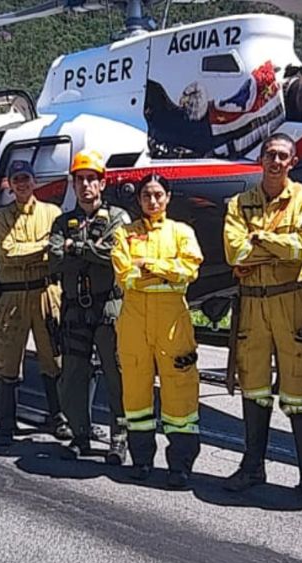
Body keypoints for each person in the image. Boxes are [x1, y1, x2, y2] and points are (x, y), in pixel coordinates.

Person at [223, 132, 302, 506]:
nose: (275, 161)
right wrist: (273, 249)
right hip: (253, 305)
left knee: (300, 392)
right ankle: (252, 466)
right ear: (261, 159)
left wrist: (260, 240)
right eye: (270, 154)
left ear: (293, 162)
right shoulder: (241, 203)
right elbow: (235, 253)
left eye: (283, 155)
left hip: (292, 302)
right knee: (253, 386)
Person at [111, 173, 203, 488]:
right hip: (134, 321)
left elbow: (189, 271)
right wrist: (166, 271)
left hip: (173, 322)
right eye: (146, 195)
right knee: (135, 392)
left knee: (180, 390)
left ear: (168, 197)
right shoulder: (125, 234)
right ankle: (141, 460)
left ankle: (180, 464)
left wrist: (152, 268)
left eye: (157, 195)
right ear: (138, 200)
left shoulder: (182, 232)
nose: (152, 200)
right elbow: (125, 275)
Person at [48, 150, 129, 463]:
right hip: (74, 310)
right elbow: (54, 259)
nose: (85, 185)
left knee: (115, 374)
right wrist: (86, 251)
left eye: (91, 179)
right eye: (79, 179)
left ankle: (119, 439)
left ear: (102, 183)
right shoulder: (62, 221)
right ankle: (80, 434)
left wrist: (76, 247)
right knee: (74, 374)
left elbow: (113, 257)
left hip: (108, 307)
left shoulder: (119, 218)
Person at [0, 159, 71, 445]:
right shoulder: (1, 216)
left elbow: (59, 253)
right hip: (13, 294)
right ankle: (6, 422)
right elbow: (9, 252)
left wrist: (43, 250)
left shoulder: (52, 212)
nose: (22, 183)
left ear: (34, 181)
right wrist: (45, 246)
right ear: (10, 185)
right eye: (16, 180)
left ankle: (59, 417)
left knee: (53, 356)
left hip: (46, 293)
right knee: (8, 358)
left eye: (26, 178)